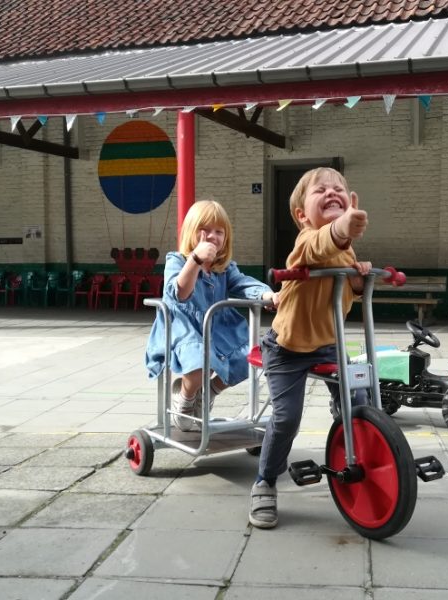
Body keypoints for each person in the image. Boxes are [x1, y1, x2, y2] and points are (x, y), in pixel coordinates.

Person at [250, 167, 371, 529]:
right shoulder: (306, 241)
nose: (332, 192)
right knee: (287, 418)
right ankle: (265, 482)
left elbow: (352, 292)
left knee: (359, 401)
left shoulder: (346, 253)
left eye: (339, 189)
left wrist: (359, 277)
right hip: (287, 347)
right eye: (321, 190)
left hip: (328, 344)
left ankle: (355, 452)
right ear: (303, 214)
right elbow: (322, 245)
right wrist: (341, 229)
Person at [144, 200, 278, 431]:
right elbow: (180, 292)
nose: (211, 236)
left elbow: (243, 283)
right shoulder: (177, 260)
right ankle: (184, 402)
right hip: (183, 327)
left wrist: (266, 294)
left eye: (218, 231)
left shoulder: (224, 268)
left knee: (249, 358)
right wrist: (195, 260)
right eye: (203, 230)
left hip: (216, 327)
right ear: (190, 233)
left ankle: (208, 392)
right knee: (197, 363)